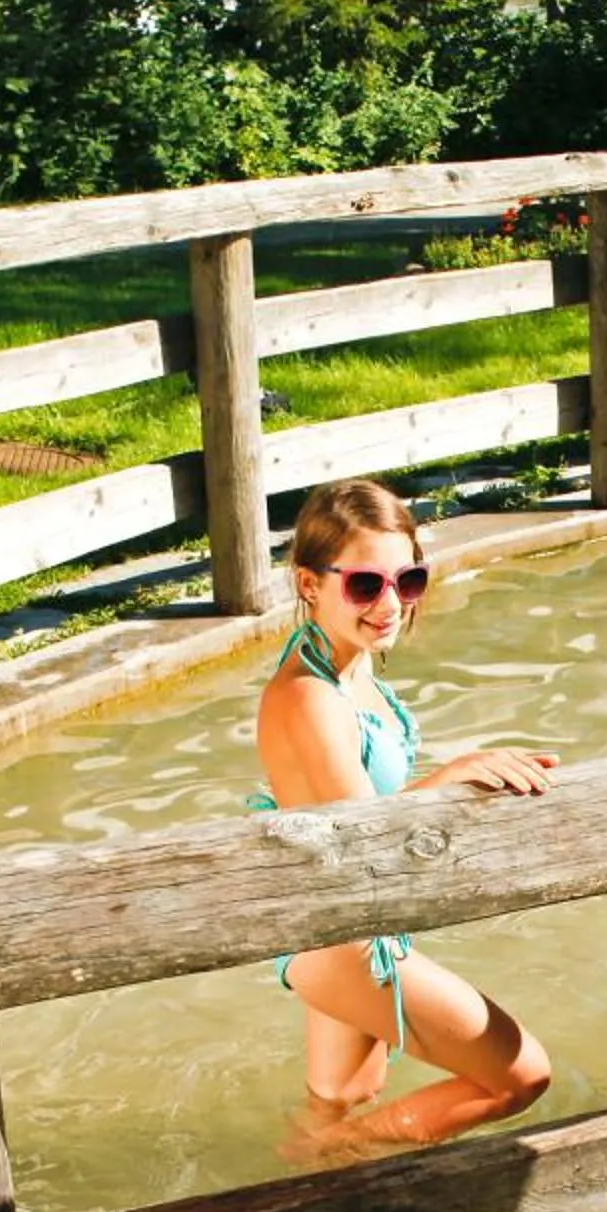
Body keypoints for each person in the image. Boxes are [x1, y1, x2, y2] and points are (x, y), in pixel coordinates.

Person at [254, 480, 555, 1158]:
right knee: (519, 1077)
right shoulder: (311, 697)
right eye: (365, 585)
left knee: (339, 1103)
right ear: (309, 583)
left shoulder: (345, 668)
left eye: (408, 579)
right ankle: (317, 1164)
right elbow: (370, 832)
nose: (390, 605)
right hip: (342, 938)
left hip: (337, 920)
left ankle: (310, 1198)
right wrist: (452, 778)